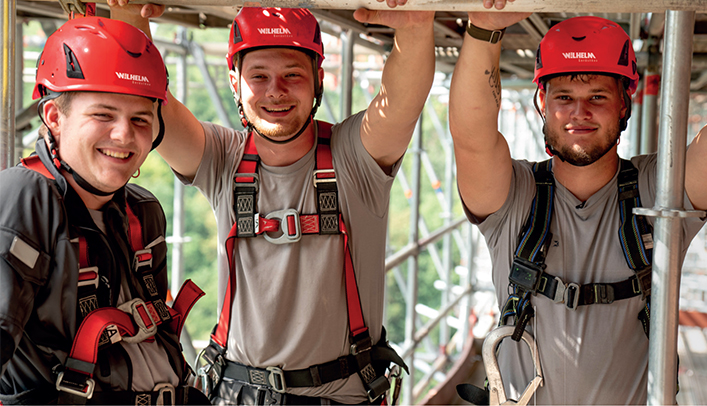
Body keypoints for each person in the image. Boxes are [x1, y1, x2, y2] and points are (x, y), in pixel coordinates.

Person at [449, 2, 707, 404]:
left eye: (597, 96)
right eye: (564, 96)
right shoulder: (514, 196)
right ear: (543, 104)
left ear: (623, 104)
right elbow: (472, 137)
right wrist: (484, 29)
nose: (579, 112)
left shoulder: (660, 189)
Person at [109, 1, 435, 404]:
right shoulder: (222, 158)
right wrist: (128, 12)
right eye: (258, 76)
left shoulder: (355, 157)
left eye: (292, 75)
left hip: (338, 396)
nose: (275, 91)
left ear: (318, 79)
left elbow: (400, 102)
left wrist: (417, 26)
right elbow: (145, 94)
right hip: (236, 393)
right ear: (235, 82)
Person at [0, 17, 208, 405]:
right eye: (103, 115)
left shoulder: (142, 212)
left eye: (140, 119)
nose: (124, 135)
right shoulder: (25, 198)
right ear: (54, 118)